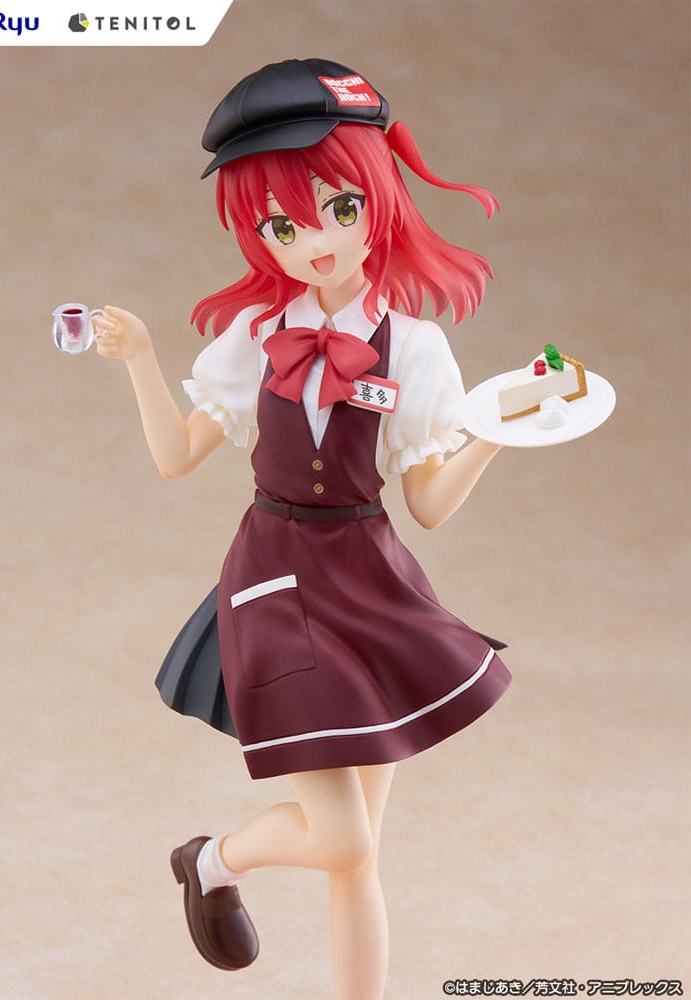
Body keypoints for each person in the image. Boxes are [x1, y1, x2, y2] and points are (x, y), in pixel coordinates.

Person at [94, 58, 511, 1000]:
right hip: (275, 584)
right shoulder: (252, 340)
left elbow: (428, 505)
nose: (313, 241)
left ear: (377, 202)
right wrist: (143, 359)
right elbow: (177, 455)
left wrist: (496, 431)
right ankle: (214, 858)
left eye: (337, 209)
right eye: (281, 226)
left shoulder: (416, 348)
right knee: (343, 839)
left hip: (371, 579)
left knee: (361, 856)